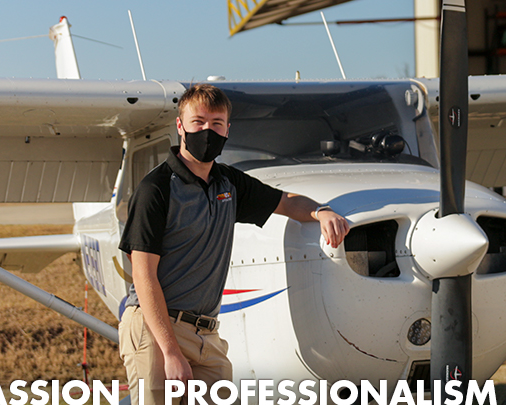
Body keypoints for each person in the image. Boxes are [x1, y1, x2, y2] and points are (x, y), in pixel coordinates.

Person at [117, 83, 350, 405]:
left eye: (216, 123)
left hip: (205, 332)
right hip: (156, 326)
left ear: (228, 129)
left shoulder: (229, 182)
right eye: (198, 122)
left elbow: (286, 202)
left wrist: (321, 211)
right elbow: (143, 275)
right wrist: (170, 352)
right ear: (180, 126)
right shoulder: (156, 188)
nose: (207, 131)